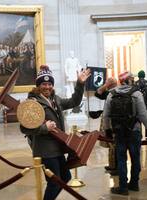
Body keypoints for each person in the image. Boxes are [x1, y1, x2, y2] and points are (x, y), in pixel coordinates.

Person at [20, 65, 91, 200]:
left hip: (58, 147)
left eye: (49, 84)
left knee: (65, 177)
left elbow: (74, 101)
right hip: (45, 150)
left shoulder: (55, 99)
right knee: (54, 182)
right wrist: (44, 128)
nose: (47, 87)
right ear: (38, 85)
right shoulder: (32, 102)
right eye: (43, 84)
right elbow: (24, 128)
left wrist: (80, 84)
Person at [103, 71, 147, 196]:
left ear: (120, 81)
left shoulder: (111, 94)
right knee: (135, 158)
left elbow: (106, 115)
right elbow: (143, 113)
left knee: (121, 158)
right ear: (129, 80)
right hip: (134, 130)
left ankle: (123, 187)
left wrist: (107, 130)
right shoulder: (136, 93)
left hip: (118, 131)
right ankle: (134, 184)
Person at [94, 77, 118, 174]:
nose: (104, 84)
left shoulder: (113, 92)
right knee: (111, 144)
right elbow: (97, 93)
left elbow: (98, 91)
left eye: (106, 82)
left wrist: (106, 84)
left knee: (114, 145)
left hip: (113, 122)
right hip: (110, 121)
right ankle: (112, 165)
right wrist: (107, 84)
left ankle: (116, 167)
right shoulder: (109, 92)